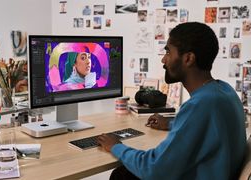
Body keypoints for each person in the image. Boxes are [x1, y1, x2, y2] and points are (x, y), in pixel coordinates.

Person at [97, 22, 246, 179]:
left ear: (188, 58)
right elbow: (205, 127)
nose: (163, 60)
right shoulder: (225, 91)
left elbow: (154, 169)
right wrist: (170, 123)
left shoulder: (200, 105)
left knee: (121, 176)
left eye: (168, 52)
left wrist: (116, 146)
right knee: (125, 174)